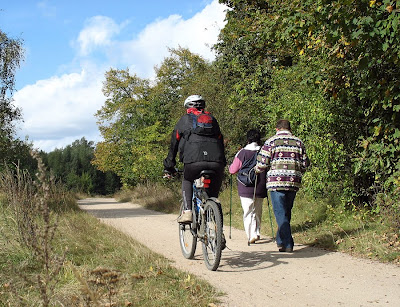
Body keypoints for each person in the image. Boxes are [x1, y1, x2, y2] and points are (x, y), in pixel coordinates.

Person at [163, 95, 226, 224]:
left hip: (193, 161)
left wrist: (169, 166)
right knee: (213, 196)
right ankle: (215, 224)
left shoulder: (185, 120)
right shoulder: (212, 120)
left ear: (188, 108)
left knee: (187, 179)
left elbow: (174, 144)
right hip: (216, 162)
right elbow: (220, 140)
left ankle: (187, 212)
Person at [255, 119, 310, 252]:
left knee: (280, 213)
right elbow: (305, 164)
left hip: (276, 182)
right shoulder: (298, 142)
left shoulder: (271, 141)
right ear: (289, 129)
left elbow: (262, 163)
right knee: (286, 212)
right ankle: (280, 241)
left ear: (277, 129)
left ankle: (288, 243)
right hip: (293, 181)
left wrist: (257, 170)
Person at [229, 129, 267, 244]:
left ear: (248, 139)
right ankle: (257, 232)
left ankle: (251, 235)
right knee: (258, 211)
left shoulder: (242, 153)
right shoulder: (263, 151)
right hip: (260, 185)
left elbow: (233, 170)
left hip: (245, 186)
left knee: (248, 211)